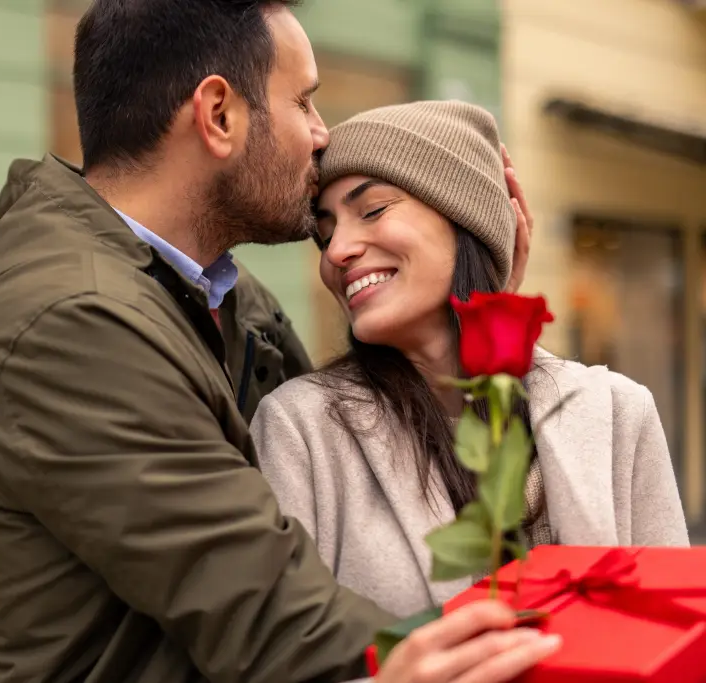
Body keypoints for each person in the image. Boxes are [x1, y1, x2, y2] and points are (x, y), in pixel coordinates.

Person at [0, 0, 556, 680]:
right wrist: (545, 647)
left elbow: (391, 446)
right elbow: (273, 614)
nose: (322, 136)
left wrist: (479, 307)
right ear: (219, 115)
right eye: (304, 102)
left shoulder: (218, 296)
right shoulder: (71, 322)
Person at [250, 100, 690, 623]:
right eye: (324, 233)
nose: (337, 250)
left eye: (372, 210)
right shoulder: (300, 430)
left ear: (464, 218)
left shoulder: (618, 412)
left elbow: (675, 630)